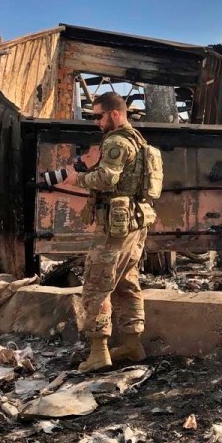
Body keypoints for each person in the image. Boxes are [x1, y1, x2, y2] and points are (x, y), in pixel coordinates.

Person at [72, 92, 156, 372]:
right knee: (126, 283)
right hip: (134, 223)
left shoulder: (118, 141)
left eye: (99, 116)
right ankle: (133, 345)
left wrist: (81, 178)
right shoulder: (139, 140)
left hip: (116, 226)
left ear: (115, 114)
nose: (96, 122)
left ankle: (98, 352)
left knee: (96, 285)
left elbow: (107, 178)